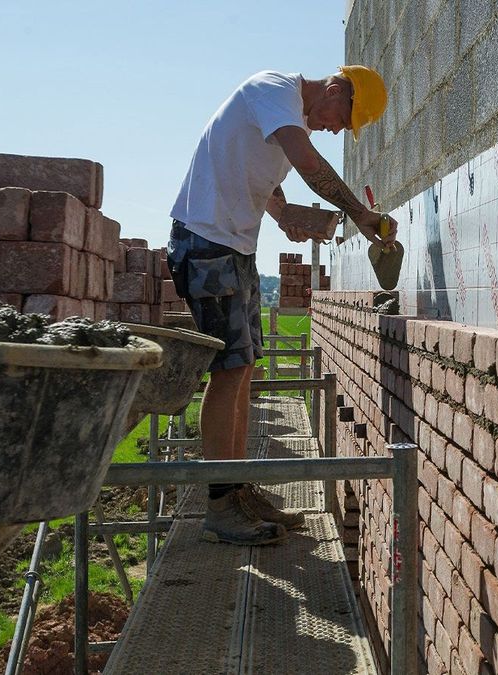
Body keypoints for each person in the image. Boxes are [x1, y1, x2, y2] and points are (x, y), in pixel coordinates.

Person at [167, 66, 399, 546]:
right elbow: (310, 163)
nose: (336, 129)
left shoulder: (283, 114)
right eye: (343, 119)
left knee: (245, 366)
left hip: (233, 248)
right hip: (206, 243)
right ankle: (220, 506)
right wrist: (361, 213)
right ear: (336, 89)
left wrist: (283, 214)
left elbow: (266, 182)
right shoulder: (275, 90)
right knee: (228, 370)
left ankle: (237, 490)